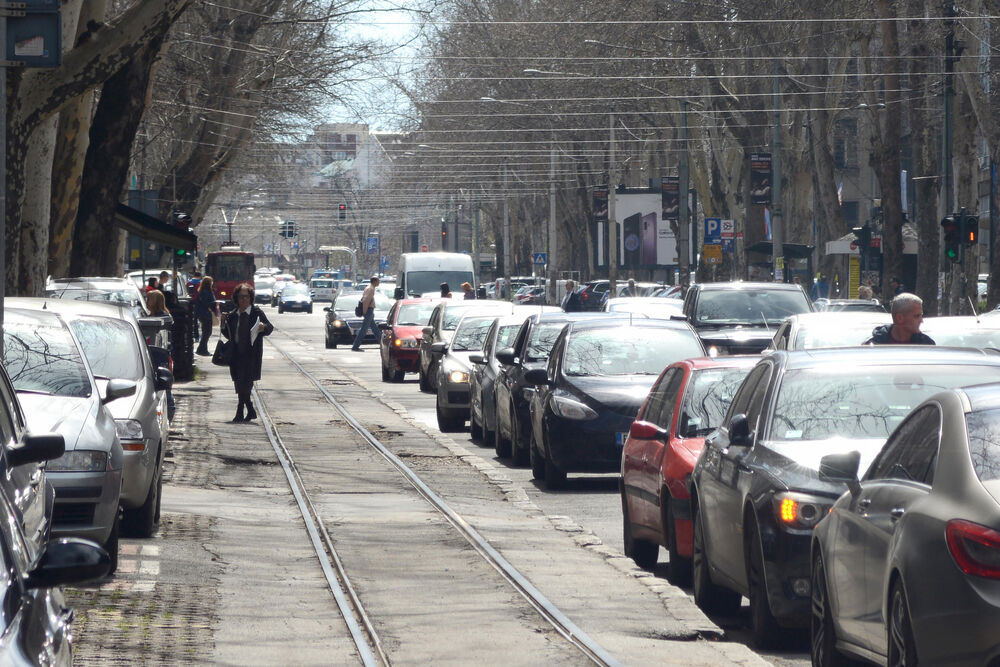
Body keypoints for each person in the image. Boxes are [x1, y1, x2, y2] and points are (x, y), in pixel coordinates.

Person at [220, 283, 274, 422]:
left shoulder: (256, 313)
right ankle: (250, 410)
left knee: (246, 384)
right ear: (236, 298)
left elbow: (270, 328)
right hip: (236, 355)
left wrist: (263, 326)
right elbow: (228, 334)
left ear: (251, 298)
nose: (244, 300)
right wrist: (223, 323)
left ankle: (240, 411)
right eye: (241, 297)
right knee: (239, 383)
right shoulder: (233, 315)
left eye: (246, 297)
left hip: (251, 355)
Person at [145, 290, 176, 420]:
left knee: (164, 386)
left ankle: (169, 409)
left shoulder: (162, 316)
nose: (146, 302)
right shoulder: (156, 315)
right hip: (159, 356)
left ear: (155, 301)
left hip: (161, 357)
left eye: (149, 299)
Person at [864, 293, 935, 345]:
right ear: (899, 318)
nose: (921, 321)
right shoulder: (873, 346)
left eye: (921, 316)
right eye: (916, 316)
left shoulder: (927, 345)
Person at [352, 277, 380, 351]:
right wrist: (364, 312)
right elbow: (366, 300)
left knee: (374, 328)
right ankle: (355, 346)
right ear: (374, 281)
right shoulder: (370, 289)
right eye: (378, 281)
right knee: (364, 329)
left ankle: (382, 343)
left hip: (369, 310)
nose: (379, 282)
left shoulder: (370, 288)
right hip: (368, 310)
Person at [194, 276, 218, 356]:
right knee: (207, 332)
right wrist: (215, 303)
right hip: (205, 314)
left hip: (204, 314)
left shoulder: (205, 291)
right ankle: (202, 349)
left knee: (206, 332)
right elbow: (205, 303)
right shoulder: (205, 292)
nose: (212, 283)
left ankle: (202, 349)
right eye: (211, 282)